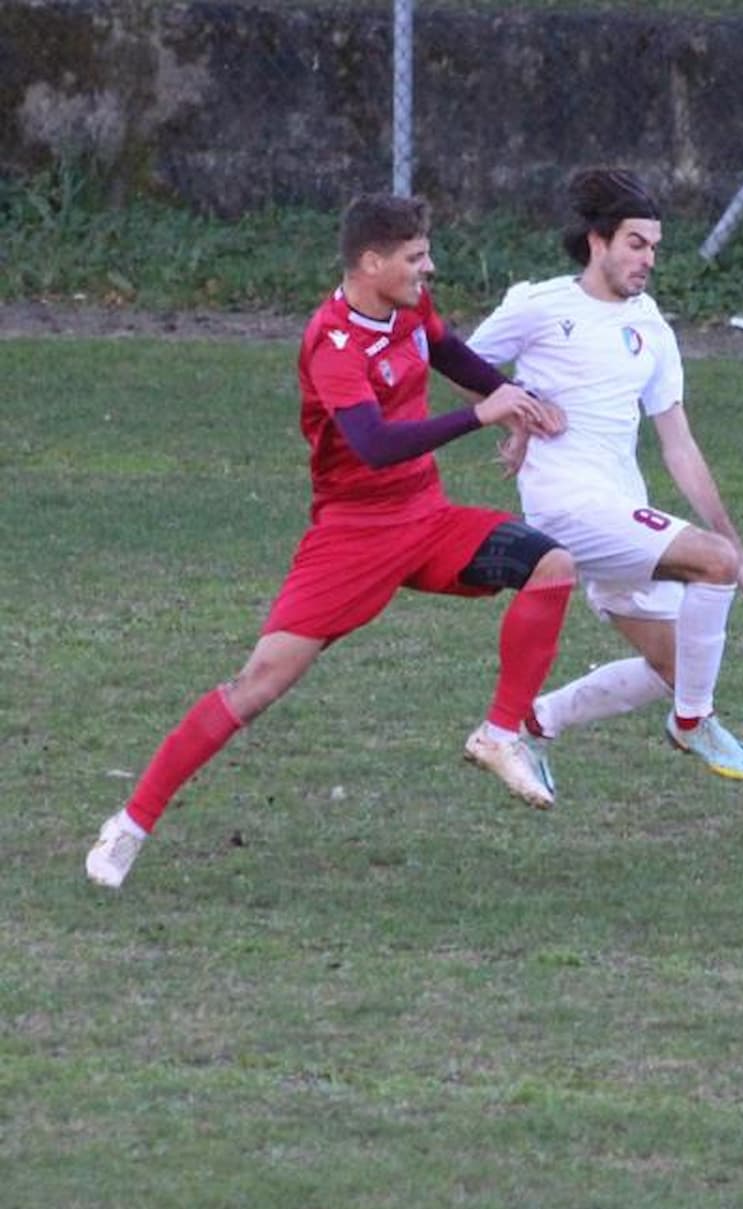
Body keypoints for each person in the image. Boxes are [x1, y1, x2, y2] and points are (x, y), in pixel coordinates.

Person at [85, 193, 576, 890]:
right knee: (257, 684)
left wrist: (515, 403)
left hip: (427, 520)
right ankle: (130, 824)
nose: (427, 267)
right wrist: (479, 414)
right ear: (370, 262)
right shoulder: (331, 341)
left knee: (553, 565)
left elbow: (449, 352)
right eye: (414, 257)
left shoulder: (408, 310)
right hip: (351, 537)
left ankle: (499, 732)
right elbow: (372, 444)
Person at [464, 167, 743, 785]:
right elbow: (462, 361)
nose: (648, 258)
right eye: (636, 243)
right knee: (712, 568)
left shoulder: (650, 325)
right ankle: (693, 724)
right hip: (565, 507)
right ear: (597, 241)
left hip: (621, 507)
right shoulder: (540, 305)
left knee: (677, 665)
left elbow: (678, 443)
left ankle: (536, 723)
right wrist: (519, 404)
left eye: (654, 246)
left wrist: (732, 537)